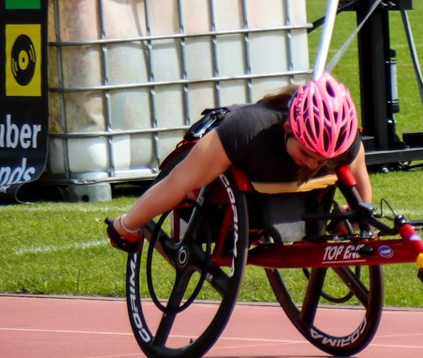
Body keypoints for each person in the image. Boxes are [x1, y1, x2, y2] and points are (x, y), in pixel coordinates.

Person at [107, 73, 371, 252]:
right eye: (307, 153)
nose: (313, 164)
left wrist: (356, 221)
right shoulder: (245, 132)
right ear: (290, 128)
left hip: (283, 190)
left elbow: (361, 194)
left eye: (323, 159)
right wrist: (127, 225)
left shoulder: (342, 142)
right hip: (229, 157)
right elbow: (178, 181)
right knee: (187, 179)